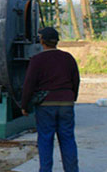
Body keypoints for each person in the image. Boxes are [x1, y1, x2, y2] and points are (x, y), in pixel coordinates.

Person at [21, 27, 80, 172]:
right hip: (66, 103)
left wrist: (24, 105)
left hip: (46, 105)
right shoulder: (68, 58)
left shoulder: (37, 60)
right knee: (67, 139)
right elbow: (76, 80)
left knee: (45, 140)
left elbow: (29, 84)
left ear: (42, 41)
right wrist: (72, 97)